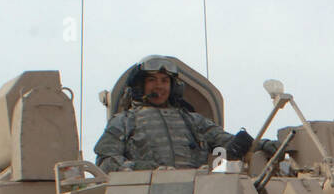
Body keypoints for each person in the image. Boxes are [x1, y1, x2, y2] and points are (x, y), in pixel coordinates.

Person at [93, 56, 278, 173]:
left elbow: (225, 140)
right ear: (140, 86)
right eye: (152, 80)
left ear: (173, 87)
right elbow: (106, 162)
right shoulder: (123, 122)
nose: (159, 86)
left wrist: (263, 144)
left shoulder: (193, 120)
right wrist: (142, 169)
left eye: (165, 81)